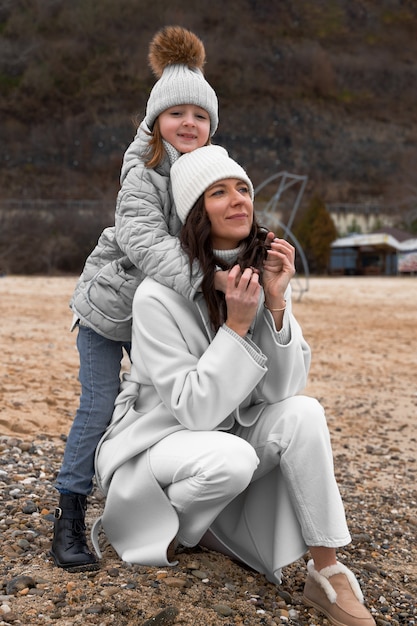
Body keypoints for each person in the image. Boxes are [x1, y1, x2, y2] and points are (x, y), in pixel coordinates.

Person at [93, 146, 376, 626]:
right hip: (156, 442)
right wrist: (238, 328)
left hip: (222, 435)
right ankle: (170, 527)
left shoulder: (256, 275)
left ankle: (326, 571)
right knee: (234, 459)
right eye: (219, 192)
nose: (239, 200)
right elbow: (194, 412)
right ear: (196, 212)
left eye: (243, 188)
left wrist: (276, 303)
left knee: (305, 413)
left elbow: (284, 389)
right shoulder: (156, 295)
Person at [50, 26, 220, 571]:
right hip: (111, 307)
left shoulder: (212, 170)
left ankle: (160, 500)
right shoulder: (141, 170)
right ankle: (70, 510)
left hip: (164, 314)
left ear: (211, 126)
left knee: (175, 404)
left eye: (200, 115)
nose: (188, 123)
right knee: (99, 405)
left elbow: (230, 227)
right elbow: (144, 240)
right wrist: (208, 280)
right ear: (155, 123)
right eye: (177, 115)